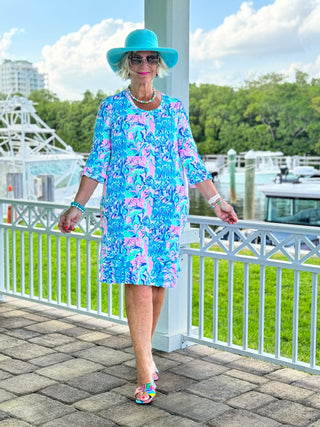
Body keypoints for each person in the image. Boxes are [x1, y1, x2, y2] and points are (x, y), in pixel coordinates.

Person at [58, 28, 237, 405]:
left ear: (158, 65)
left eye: (150, 58)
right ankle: (144, 368)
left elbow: (190, 159)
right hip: (125, 209)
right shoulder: (111, 108)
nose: (143, 64)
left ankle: (145, 355)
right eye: (136, 58)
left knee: (155, 285)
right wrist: (77, 205)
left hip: (167, 207)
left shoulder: (174, 109)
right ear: (127, 65)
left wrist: (217, 200)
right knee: (137, 283)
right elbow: (98, 162)